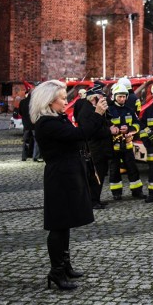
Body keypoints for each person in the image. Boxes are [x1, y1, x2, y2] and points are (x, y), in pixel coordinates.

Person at [31, 79, 109, 290]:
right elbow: (80, 134)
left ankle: (65, 266)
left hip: (67, 174)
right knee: (58, 226)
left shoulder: (57, 118)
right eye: (63, 98)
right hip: (60, 177)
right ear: (49, 101)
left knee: (65, 225)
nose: (66, 102)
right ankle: (56, 272)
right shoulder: (47, 123)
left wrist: (91, 109)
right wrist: (97, 113)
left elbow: (80, 131)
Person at [75, 84, 119, 210]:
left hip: (102, 148)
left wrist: (111, 126)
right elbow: (92, 132)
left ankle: (96, 199)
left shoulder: (96, 109)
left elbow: (103, 123)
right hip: (94, 149)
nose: (104, 99)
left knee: (100, 175)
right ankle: (92, 200)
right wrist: (109, 131)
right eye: (101, 97)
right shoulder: (87, 111)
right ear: (94, 98)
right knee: (95, 176)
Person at [107, 83, 145, 200]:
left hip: (128, 145)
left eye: (124, 96)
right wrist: (112, 130)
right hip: (114, 146)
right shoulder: (108, 111)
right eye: (120, 97)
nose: (122, 99)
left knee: (133, 169)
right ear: (114, 97)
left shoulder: (130, 110)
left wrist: (130, 129)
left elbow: (138, 124)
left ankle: (137, 191)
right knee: (114, 171)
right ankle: (116, 193)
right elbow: (104, 126)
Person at [18, 89, 41, 161]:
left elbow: (20, 112)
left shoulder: (22, 102)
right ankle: (35, 157)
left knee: (25, 141)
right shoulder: (36, 103)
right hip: (34, 124)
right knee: (36, 141)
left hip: (26, 125)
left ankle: (24, 156)